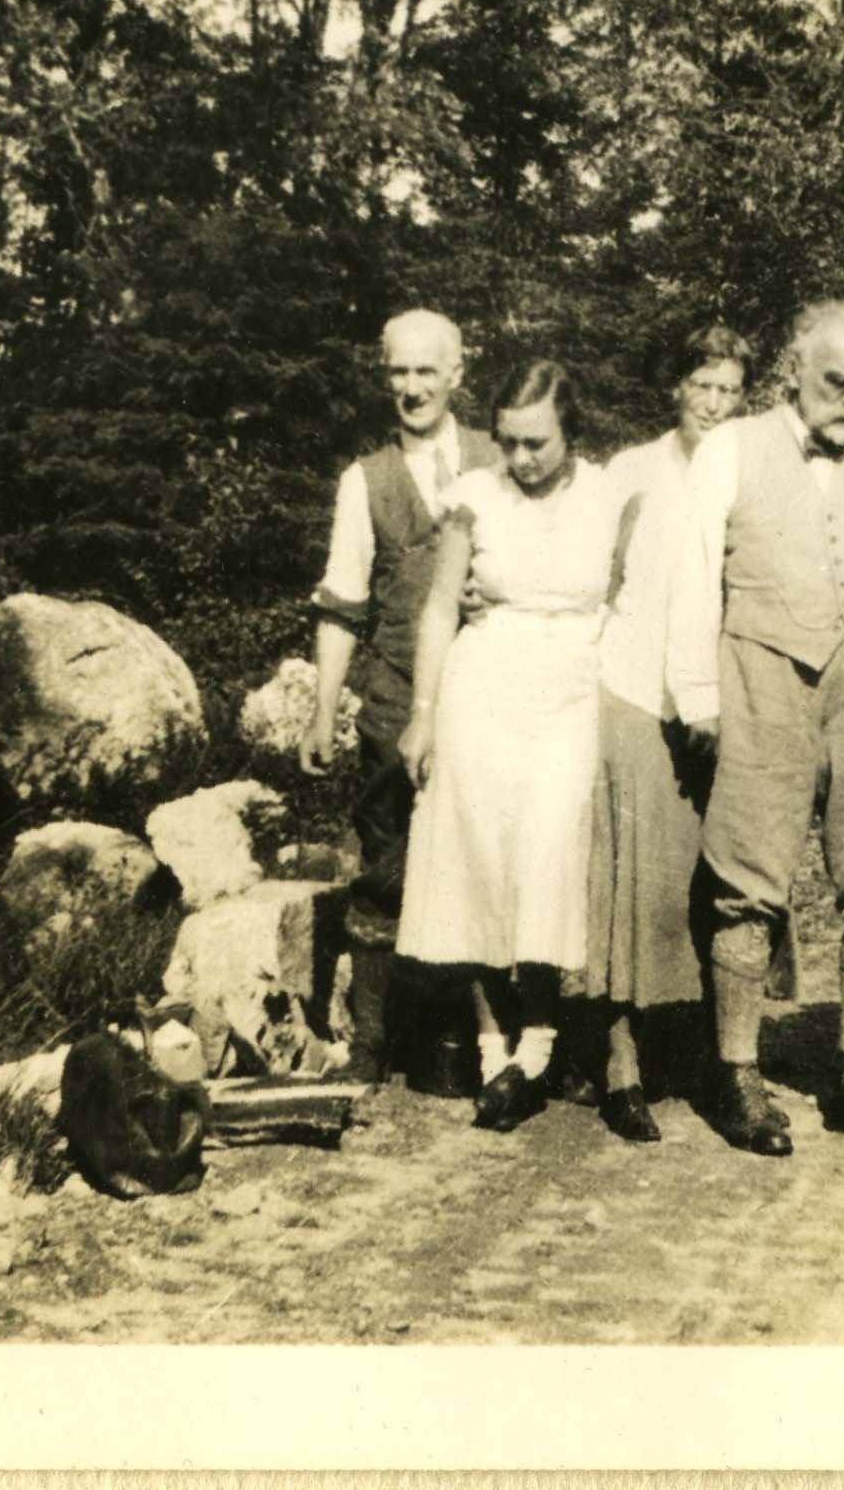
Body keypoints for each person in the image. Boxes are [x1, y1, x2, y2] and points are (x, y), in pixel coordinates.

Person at [669, 300, 844, 1155]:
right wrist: (697, 696)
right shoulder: (730, 448)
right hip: (761, 685)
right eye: (836, 381)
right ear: (792, 371)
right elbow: (691, 578)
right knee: (747, 876)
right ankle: (736, 1073)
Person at [394, 361, 626, 1133]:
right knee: (482, 862)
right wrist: (423, 713)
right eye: (508, 442)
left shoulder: (608, 494)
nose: (520, 458)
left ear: (571, 432)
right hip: (482, 690)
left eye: (537, 443)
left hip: (569, 695)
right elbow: (438, 608)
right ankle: (496, 1052)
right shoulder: (474, 497)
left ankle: (541, 1042)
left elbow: (634, 593)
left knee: (548, 857)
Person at [304, 310, 502, 1086]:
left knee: (491, 861)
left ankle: (489, 1039)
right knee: (386, 861)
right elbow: (342, 602)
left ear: (457, 373)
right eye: (398, 372)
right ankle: (372, 1039)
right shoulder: (366, 480)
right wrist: (324, 707)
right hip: (394, 697)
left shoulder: (500, 458)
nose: (412, 387)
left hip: (491, 695)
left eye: (427, 371)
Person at [579, 323, 754, 1142]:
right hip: (632, 687)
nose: (714, 404)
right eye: (702, 386)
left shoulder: (748, 470)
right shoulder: (631, 472)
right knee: (629, 883)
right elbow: (593, 580)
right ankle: (620, 1067)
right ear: (677, 389)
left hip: (722, 698)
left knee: (711, 879)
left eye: (730, 391)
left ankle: (714, 1059)